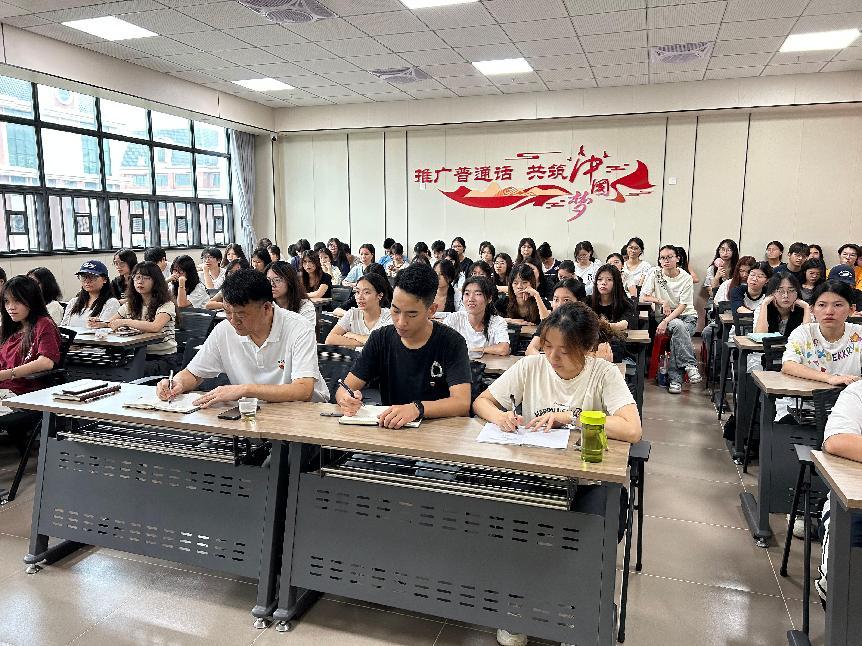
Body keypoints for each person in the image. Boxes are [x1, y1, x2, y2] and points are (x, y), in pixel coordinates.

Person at [157, 269, 329, 406]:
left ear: (266, 308)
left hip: (304, 413)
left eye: (241, 315)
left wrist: (245, 390)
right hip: (252, 412)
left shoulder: (298, 328)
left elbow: (303, 390)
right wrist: (177, 382)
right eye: (227, 312)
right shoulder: (224, 330)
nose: (233, 321)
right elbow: (194, 373)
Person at [335, 263, 471, 428]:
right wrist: (346, 400)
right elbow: (344, 389)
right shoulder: (380, 338)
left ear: (431, 310)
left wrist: (417, 408)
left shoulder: (452, 342)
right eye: (396, 311)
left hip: (438, 432)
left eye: (412, 314)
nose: (401, 322)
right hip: (391, 430)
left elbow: (462, 402)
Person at [779, 280, 862, 420]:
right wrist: (830, 378)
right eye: (822, 305)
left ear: (851, 309)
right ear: (812, 309)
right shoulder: (803, 333)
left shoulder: (858, 334)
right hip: (802, 408)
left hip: (848, 411)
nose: (829, 312)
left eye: (838, 305)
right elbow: (788, 365)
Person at [817, 379, 862, 605]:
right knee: (843, 590)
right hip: (854, 510)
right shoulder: (858, 393)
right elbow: (837, 442)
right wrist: (830, 379)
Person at [640, 245, 701, 394]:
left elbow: (683, 305)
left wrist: (666, 321)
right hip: (665, 315)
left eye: (669, 257)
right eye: (662, 258)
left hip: (687, 317)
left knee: (678, 329)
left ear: (677, 258)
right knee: (678, 328)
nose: (666, 260)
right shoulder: (655, 273)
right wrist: (662, 301)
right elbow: (644, 296)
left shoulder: (686, 277)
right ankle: (689, 366)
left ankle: (676, 380)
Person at [102, 261, 177, 374]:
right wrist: (99, 323)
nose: (140, 281)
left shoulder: (166, 304)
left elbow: (155, 327)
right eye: (137, 277)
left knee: (127, 371)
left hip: (163, 358)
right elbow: (111, 322)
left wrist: (125, 322)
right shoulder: (130, 304)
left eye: (146, 278)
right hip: (136, 355)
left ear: (156, 281)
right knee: (107, 365)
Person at [0, 276, 61, 395]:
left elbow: (46, 362)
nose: (11, 307)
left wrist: (7, 374)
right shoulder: (10, 327)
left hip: (20, 391)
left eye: (17, 301)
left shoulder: (44, 324)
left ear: (32, 300)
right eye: (7, 301)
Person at [525, 278, 613, 360]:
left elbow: (600, 356)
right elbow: (531, 349)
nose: (559, 305)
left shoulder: (588, 324)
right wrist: (548, 361)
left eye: (566, 300)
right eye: (556, 300)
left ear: (580, 302)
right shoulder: (548, 322)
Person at [443, 276, 510, 357]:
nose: (471, 299)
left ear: (489, 298)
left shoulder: (497, 321)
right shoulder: (453, 319)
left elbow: (503, 349)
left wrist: (473, 350)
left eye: (478, 294)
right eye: (467, 294)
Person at [325, 273, 392, 348]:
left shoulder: (389, 316)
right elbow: (330, 340)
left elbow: (384, 344)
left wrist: (353, 335)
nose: (360, 297)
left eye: (366, 292)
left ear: (380, 295)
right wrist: (366, 342)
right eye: (357, 292)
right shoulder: (352, 313)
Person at [61, 260, 121, 328]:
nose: (87, 281)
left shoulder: (111, 303)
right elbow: (63, 327)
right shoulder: (73, 302)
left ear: (105, 279)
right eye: (83, 277)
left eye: (92, 277)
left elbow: (104, 329)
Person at [267, 261, 316, 325]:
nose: (272, 284)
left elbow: (306, 330)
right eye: (268, 280)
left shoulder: (305, 307)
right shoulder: (265, 305)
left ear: (290, 281)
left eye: (277, 280)